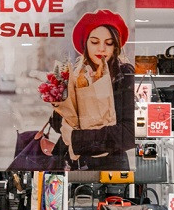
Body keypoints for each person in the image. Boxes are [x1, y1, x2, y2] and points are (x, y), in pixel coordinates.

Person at [51, 9, 135, 171]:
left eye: (109, 43)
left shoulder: (123, 75)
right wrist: (58, 104)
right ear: (86, 44)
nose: (101, 48)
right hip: (72, 164)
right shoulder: (76, 74)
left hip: (109, 167)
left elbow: (128, 133)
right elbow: (59, 125)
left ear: (115, 46)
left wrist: (77, 138)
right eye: (95, 42)